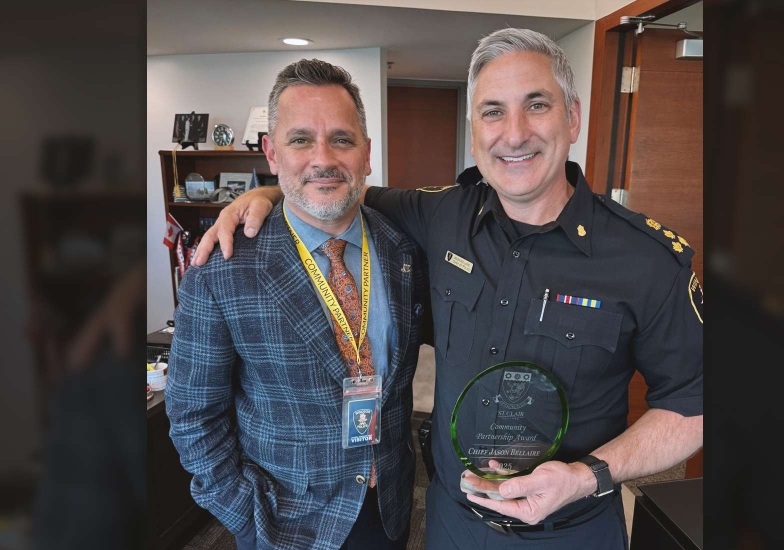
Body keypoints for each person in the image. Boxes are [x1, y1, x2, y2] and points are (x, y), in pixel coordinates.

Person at [192, 29, 703, 549]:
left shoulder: (647, 258)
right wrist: (262, 193)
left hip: (571, 530)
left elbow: (696, 404)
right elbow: (331, 184)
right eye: (493, 111)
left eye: (537, 105)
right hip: (447, 522)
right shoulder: (436, 215)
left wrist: (585, 476)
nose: (515, 133)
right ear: (474, 129)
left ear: (572, 117)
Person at [166, 59, 428, 550]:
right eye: (301, 139)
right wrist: (243, 516)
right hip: (284, 522)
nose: (322, 158)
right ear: (271, 152)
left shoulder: (402, 248)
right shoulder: (221, 266)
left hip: (389, 507)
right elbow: (192, 414)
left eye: (342, 140)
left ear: (367, 154)